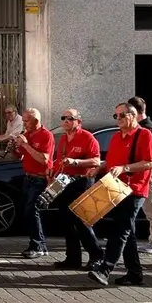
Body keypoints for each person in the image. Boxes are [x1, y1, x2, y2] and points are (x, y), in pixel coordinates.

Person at [88, 103, 152, 287]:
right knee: (127, 232)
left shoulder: (144, 135)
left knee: (120, 230)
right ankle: (135, 273)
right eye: (115, 116)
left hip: (135, 189)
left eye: (121, 115)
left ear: (132, 116)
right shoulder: (116, 136)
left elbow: (150, 163)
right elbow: (111, 162)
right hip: (115, 188)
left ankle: (105, 269)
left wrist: (125, 168)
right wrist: (98, 169)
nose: (117, 119)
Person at [52, 108, 102, 270]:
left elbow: (96, 161)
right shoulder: (63, 139)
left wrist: (76, 162)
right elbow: (60, 161)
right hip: (65, 182)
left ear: (78, 122)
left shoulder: (87, 137)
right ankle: (73, 259)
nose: (66, 121)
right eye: (64, 118)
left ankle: (96, 256)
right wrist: (52, 171)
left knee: (82, 221)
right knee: (66, 222)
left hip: (82, 183)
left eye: (70, 118)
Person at [14, 108, 55, 259]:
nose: (24, 123)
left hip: (40, 178)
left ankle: (36, 245)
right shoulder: (27, 134)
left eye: (26, 121)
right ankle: (40, 245)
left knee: (32, 211)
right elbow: (19, 156)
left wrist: (25, 145)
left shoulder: (46, 135)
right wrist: (15, 147)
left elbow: (44, 159)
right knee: (30, 212)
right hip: (28, 177)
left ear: (36, 121)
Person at [128, 96, 152, 255]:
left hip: (150, 176)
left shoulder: (147, 129)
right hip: (142, 175)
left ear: (134, 111)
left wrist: (148, 176)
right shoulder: (140, 128)